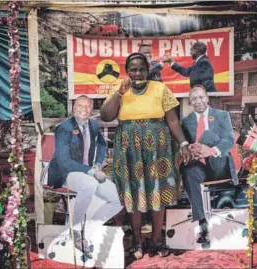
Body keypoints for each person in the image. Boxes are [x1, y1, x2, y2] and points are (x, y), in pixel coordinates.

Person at [100, 53, 192, 259]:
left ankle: (157, 239)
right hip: (129, 149)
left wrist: (183, 143)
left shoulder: (160, 88)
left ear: (148, 69)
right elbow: (106, 116)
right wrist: (118, 94)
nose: (138, 73)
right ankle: (137, 241)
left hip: (158, 148)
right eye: (133, 69)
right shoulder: (120, 89)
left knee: (157, 190)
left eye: (141, 68)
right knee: (134, 192)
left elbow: (173, 121)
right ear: (127, 71)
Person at [47, 95, 123, 258]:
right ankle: (76, 231)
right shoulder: (64, 128)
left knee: (118, 198)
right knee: (89, 184)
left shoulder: (94, 124)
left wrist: (97, 163)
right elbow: (64, 161)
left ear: (91, 109)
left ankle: (87, 229)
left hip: (88, 171)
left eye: (88, 106)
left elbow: (102, 144)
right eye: (80, 106)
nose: (84, 110)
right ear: (74, 108)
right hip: (65, 172)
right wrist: (91, 171)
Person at [180, 85, 238, 244]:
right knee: (188, 171)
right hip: (200, 166)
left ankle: (206, 146)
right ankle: (202, 224)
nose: (198, 101)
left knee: (207, 136)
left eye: (201, 97)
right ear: (190, 102)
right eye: (194, 99)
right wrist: (191, 148)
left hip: (219, 165)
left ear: (207, 98)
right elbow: (185, 144)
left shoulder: (221, 115)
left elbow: (229, 140)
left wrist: (210, 150)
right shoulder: (186, 121)